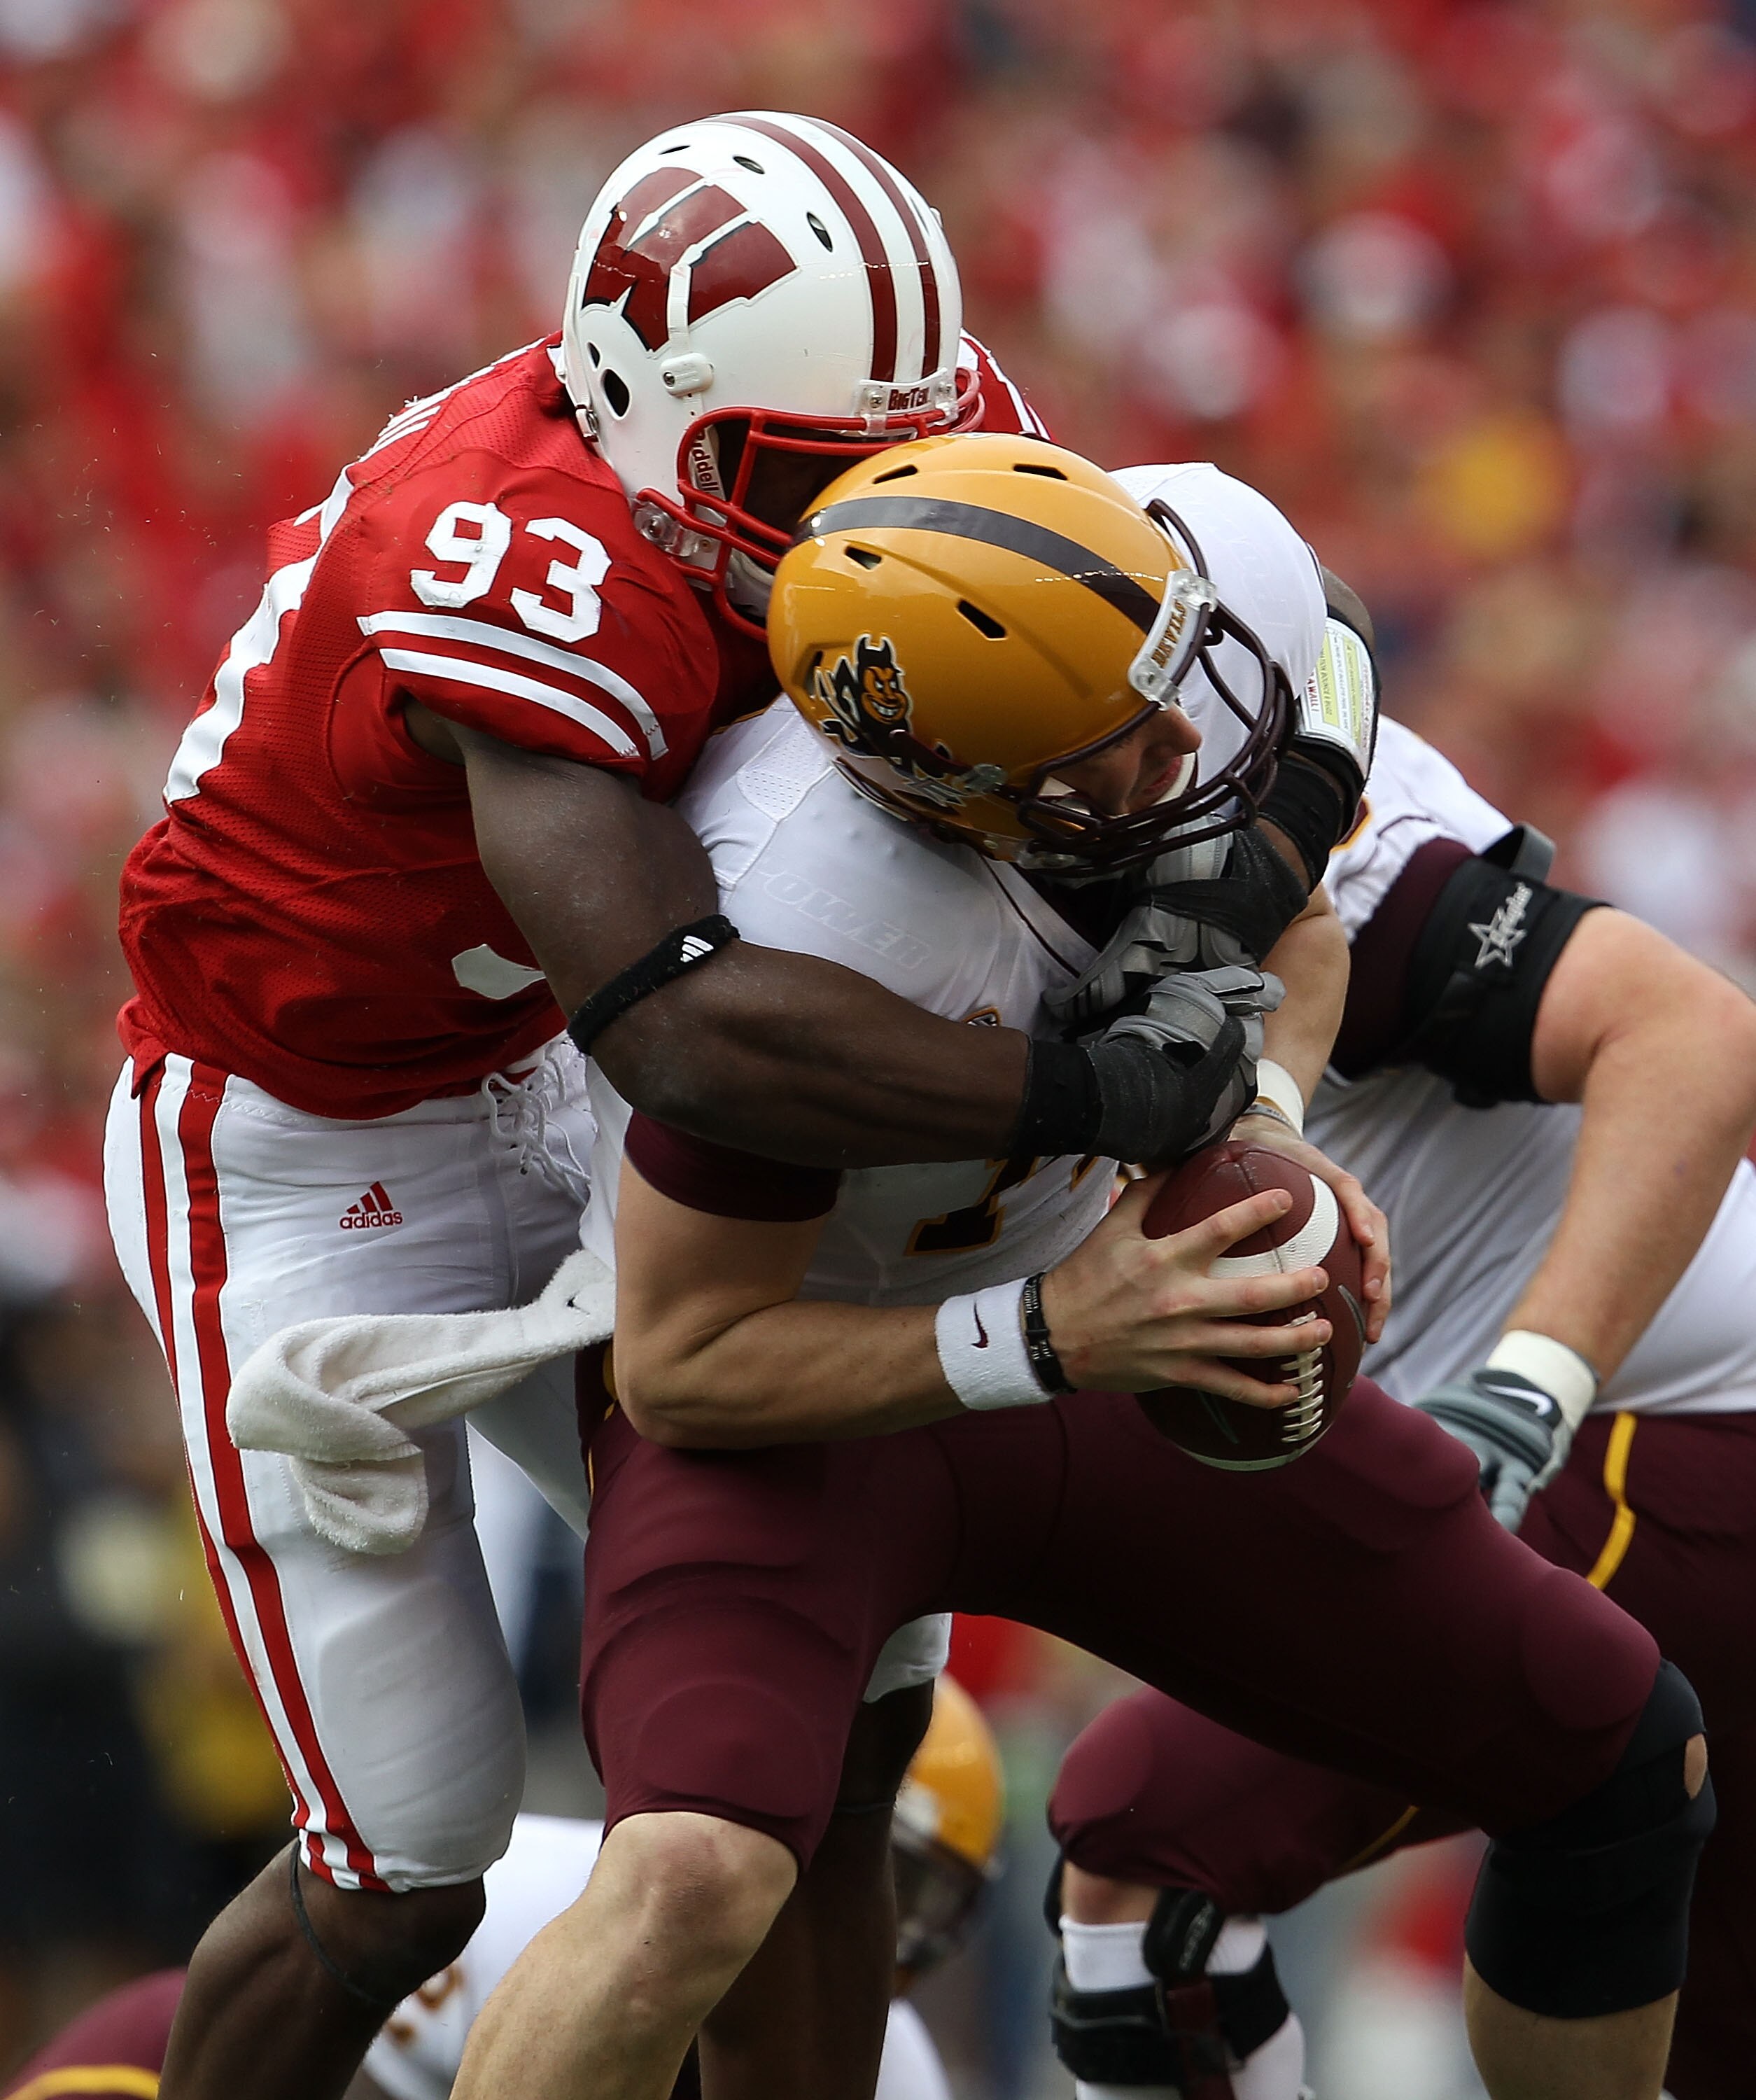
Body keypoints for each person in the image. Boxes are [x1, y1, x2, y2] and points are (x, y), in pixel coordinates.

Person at [103, 111, 1314, 2100]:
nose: (860, 507)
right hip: (300, 1136)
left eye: (887, 452)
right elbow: (680, 1020)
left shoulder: (893, 421)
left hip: (547, 1092)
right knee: (404, 1867)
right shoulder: (518, 558)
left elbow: (1139, 669)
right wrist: (1085, 1082)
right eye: (794, 475)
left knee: (821, 1731)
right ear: (627, 402)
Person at [447, 438, 1698, 2100]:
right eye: (1122, 744)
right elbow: (681, 1365)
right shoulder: (808, 924)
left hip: (1095, 1338)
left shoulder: (1129, 632)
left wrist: (1261, 1125)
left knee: (1606, 1736)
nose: (1183, 744)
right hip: (817, 1408)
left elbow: (1295, 926)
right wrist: (1042, 1330)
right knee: (693, 1876)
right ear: (966, 796)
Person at [1045, 714, 1756, 2100]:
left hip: (1649, 1439)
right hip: (1610, 1460)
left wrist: (1523, 1394)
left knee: (1147, 1868)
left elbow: (1689, 1033)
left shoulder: (1247, 820)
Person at [0, 1674, 1002, 2100]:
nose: (886, 1923)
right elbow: (337, 2082)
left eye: (915, 1889)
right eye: (858, 1859)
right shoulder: (528, 1898)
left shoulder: (893, 2061)